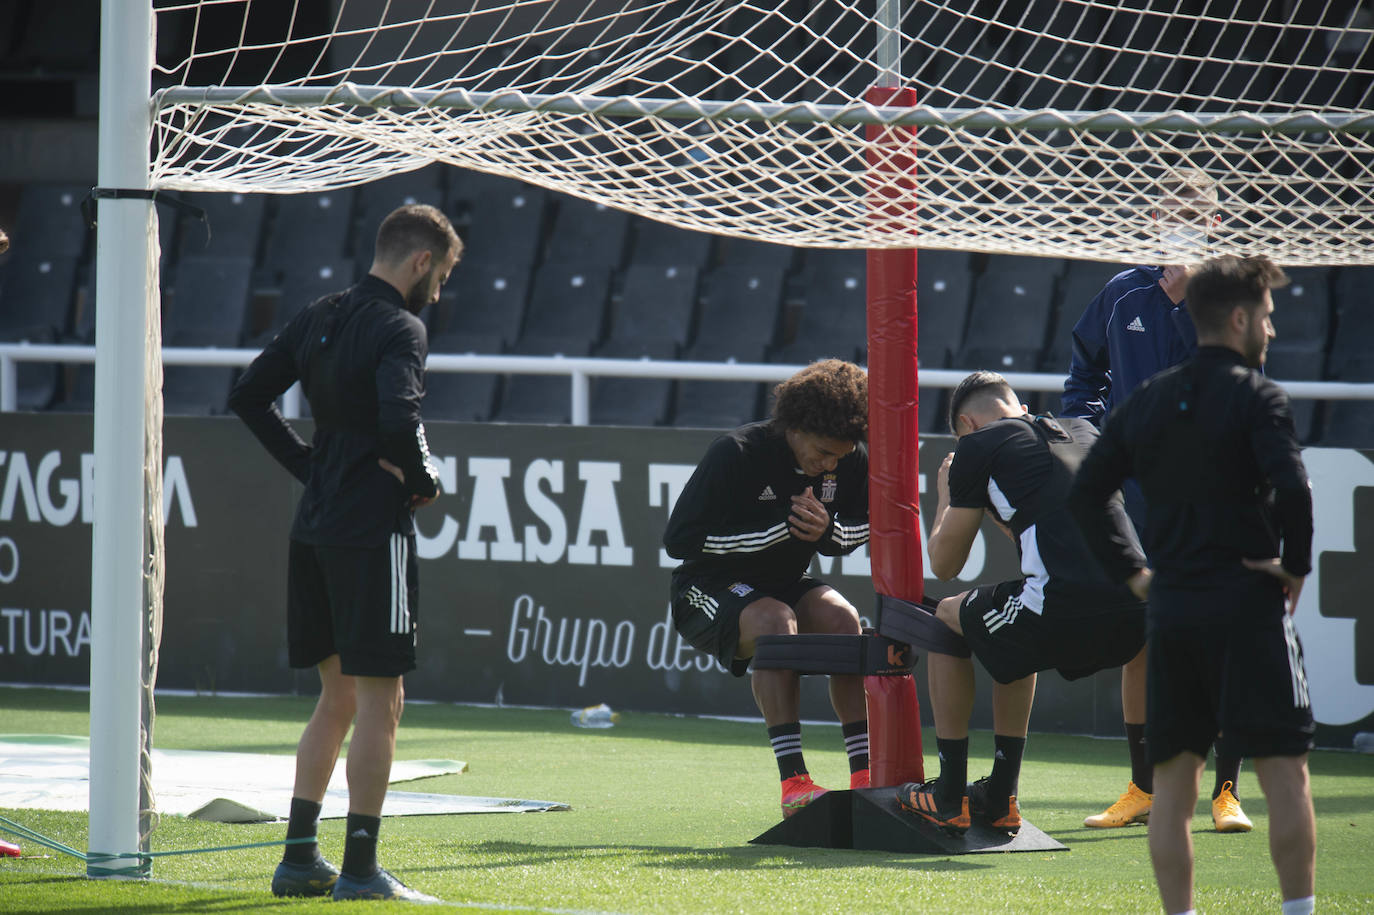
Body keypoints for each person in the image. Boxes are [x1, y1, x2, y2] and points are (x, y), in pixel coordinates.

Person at [1068, 254, 1316, 915]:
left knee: (1171, 792)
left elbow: (1086, 491)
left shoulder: (1145, 400)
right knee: (1288, 777)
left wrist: (1135, 574)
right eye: (1266, 315)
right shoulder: (1259, 396)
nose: (1272, 327)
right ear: (1238, 318)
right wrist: (1295, 565)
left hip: (1173, 605)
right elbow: (1294, 488)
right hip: (1248, 603)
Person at [229, 203, 460, 903]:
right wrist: (424, 481)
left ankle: (299, 859)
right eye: (443, 275)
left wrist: (311, 466)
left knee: (335, 696)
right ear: (421, 262)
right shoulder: (401, 327)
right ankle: (360, 870)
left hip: (316, 526)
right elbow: (401, 418)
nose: (440, 291)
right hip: (370, 532)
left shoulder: (319, 312)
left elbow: (247, 396)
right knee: (381, 701)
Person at [1062, 170, 1251, 833]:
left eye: (1189, 214)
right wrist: (1088, 441)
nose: (1175, 223)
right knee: (1141, 639)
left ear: (1214, 226)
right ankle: (1142, 786)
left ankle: (1226, 790)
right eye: (1166, 212)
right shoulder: (1121, 292)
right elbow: (1084, 376)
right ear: (1149, 219)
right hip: (1137, 494)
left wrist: (1186, 304)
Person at [894, 371, 1147, 838]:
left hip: (1063, 608)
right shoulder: (1084, 431)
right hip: (1137, 616)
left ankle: (949, 796)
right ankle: (1001, 796)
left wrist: (946, 492)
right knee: (1006, 626)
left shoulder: (977, 445)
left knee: (948, 614)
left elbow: (945, 563)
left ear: (968, 425)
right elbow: (1056, 526)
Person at [663, 359, 872, 818]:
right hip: (707, 588)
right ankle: (795, 784)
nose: (829, 465)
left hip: (784, 584)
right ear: (794, 427)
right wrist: (781, 529)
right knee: (775, 620)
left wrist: (825, 530)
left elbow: (863, 527)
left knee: (844, 620)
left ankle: (865, 776)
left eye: (838, 456)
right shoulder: (736, 452)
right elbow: (679, 541)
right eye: (821, 453)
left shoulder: (849, 458)